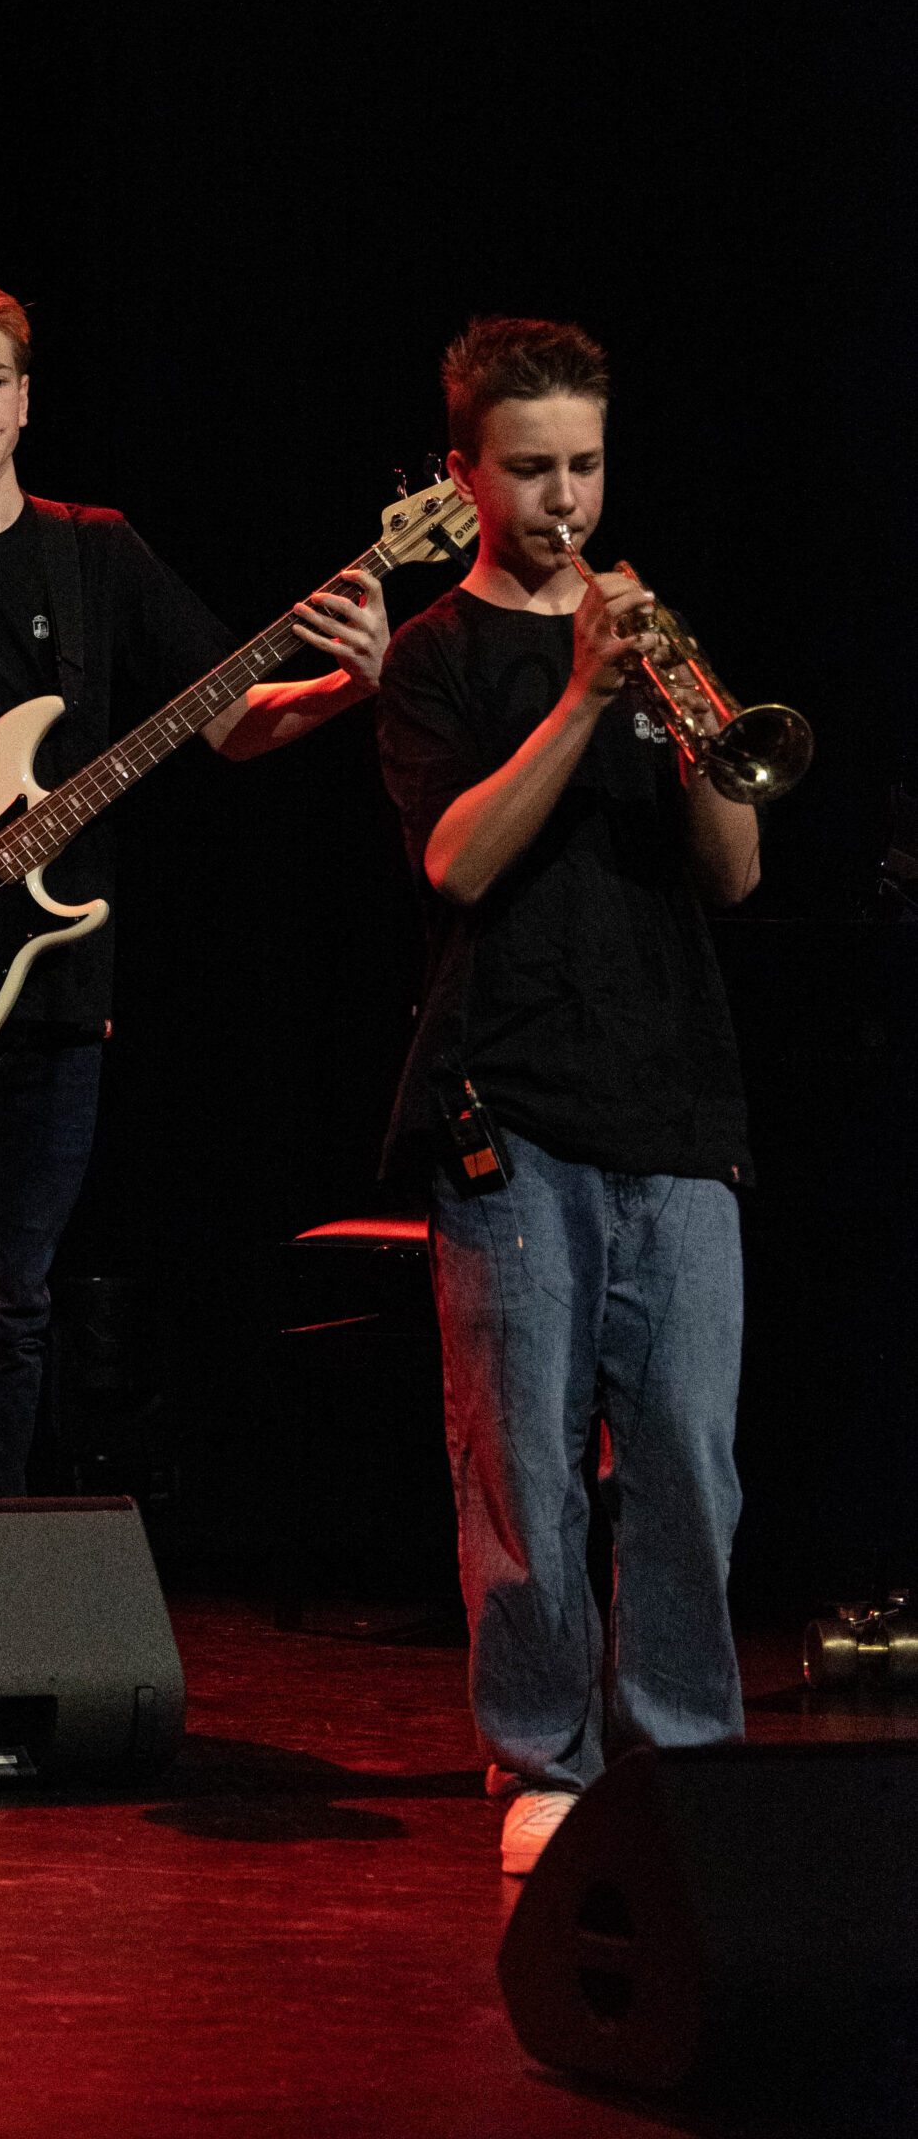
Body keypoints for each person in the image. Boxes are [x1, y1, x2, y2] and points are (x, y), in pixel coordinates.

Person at [0, 267, 389, 1501]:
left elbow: (228, 721)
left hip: (52, 989)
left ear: (27, 393)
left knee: (11, 1305)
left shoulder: (93, 550)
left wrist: (344, 687)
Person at [375, 315, 758, 1877]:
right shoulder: (433, 657)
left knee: (685, 1459)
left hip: (672, 1097)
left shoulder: (655, 635)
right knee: (522, 1465)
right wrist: (584, 699)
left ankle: (684, 1757)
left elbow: (733, 873)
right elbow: (456, 862)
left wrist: (687, 723)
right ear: (464, 474)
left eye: (584, 467)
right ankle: (539, 1752)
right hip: (506, 1101)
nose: (563, 502)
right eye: (529, 470)